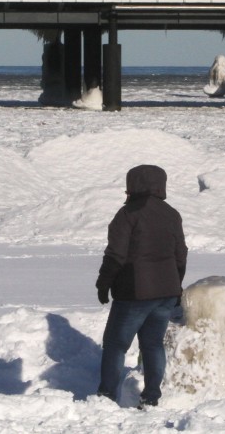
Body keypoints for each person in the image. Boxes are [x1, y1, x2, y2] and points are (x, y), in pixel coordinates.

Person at [96, 164, 187, 408]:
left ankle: (106, 397)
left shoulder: (127, 214)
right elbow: (181, 254)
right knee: (153, 344)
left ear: (132, 185)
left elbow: (115, 255)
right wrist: (176, 285)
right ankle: (151, 397)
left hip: (134, 292)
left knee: (116, 345)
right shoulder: (171, 214)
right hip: (166, 292)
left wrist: (103, 284)